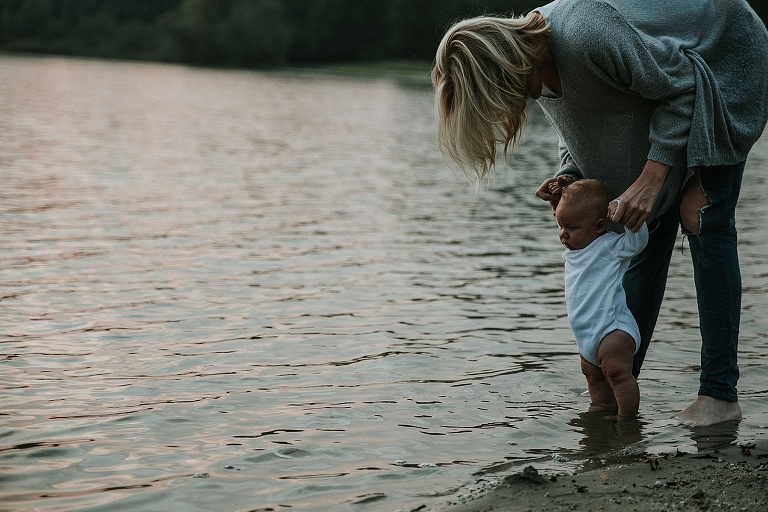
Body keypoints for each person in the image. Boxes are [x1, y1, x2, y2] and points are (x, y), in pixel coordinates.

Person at [432, 0, 768, 426]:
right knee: (633, 225)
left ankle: (720, 395)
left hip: (724, 54)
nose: (510, 105)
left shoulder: (586, 34)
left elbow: (683, 85)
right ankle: (619, 384)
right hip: (674, 79)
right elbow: (579, 126)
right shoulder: (533, 65)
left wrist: (652, 178)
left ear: (506, 66)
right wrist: (569, 175)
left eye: (500, 94)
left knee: (699, 214)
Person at [554, 179, 648, 418]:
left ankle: (628, 422)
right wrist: (558, 202)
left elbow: (636, 244)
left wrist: (629, 219)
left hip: (612, 329)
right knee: (593, 376)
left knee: (618, 374)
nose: (563, 234)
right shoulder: (573, 250)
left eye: (571, 228)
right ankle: (600, 414)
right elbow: (570, 217)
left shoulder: (609, 246)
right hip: (584, 334)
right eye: (560, 226)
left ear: (598, 226)